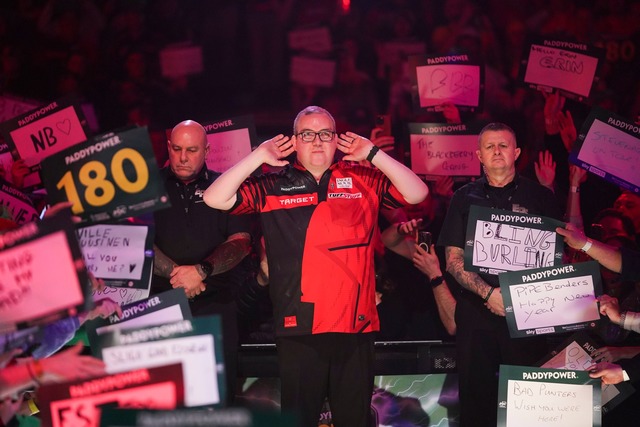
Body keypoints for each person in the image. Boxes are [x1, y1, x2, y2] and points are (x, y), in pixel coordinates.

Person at [203, 106, 428, 426]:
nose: (317, 141)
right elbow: (215, 198)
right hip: (299, 326)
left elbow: (417, 193)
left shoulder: (363, 177)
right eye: (307, 134)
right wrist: (257, 156)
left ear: (337, 140)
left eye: (325, 134)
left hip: (355, 325)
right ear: (294, 141)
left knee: (354, 419)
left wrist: (373, 153)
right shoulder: (273, 184)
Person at [437, 122, 563, 427]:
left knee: (529, 397)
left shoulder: (541, 198)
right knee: (476, 398)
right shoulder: (462, 197)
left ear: (516, 152)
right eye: (490, 146)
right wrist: (490, 294)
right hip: (476, 310)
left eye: (503, 145)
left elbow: (557, 260)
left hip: (528, 312)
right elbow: (452, 260)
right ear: (478, 154)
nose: (497, 151)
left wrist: (516, 298)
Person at [151, 120, 252, 404]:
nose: (183, 157)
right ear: (168, 148)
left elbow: (241, 242)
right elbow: (135, 241)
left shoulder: (225, 185)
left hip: (215, 304)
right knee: (163, 402)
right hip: (160, 305)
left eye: (192, 150)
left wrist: (200, 271)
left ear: (207, 150)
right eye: (177, 149)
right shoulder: (145, 186)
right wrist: (178, 275)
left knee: (216, 399)